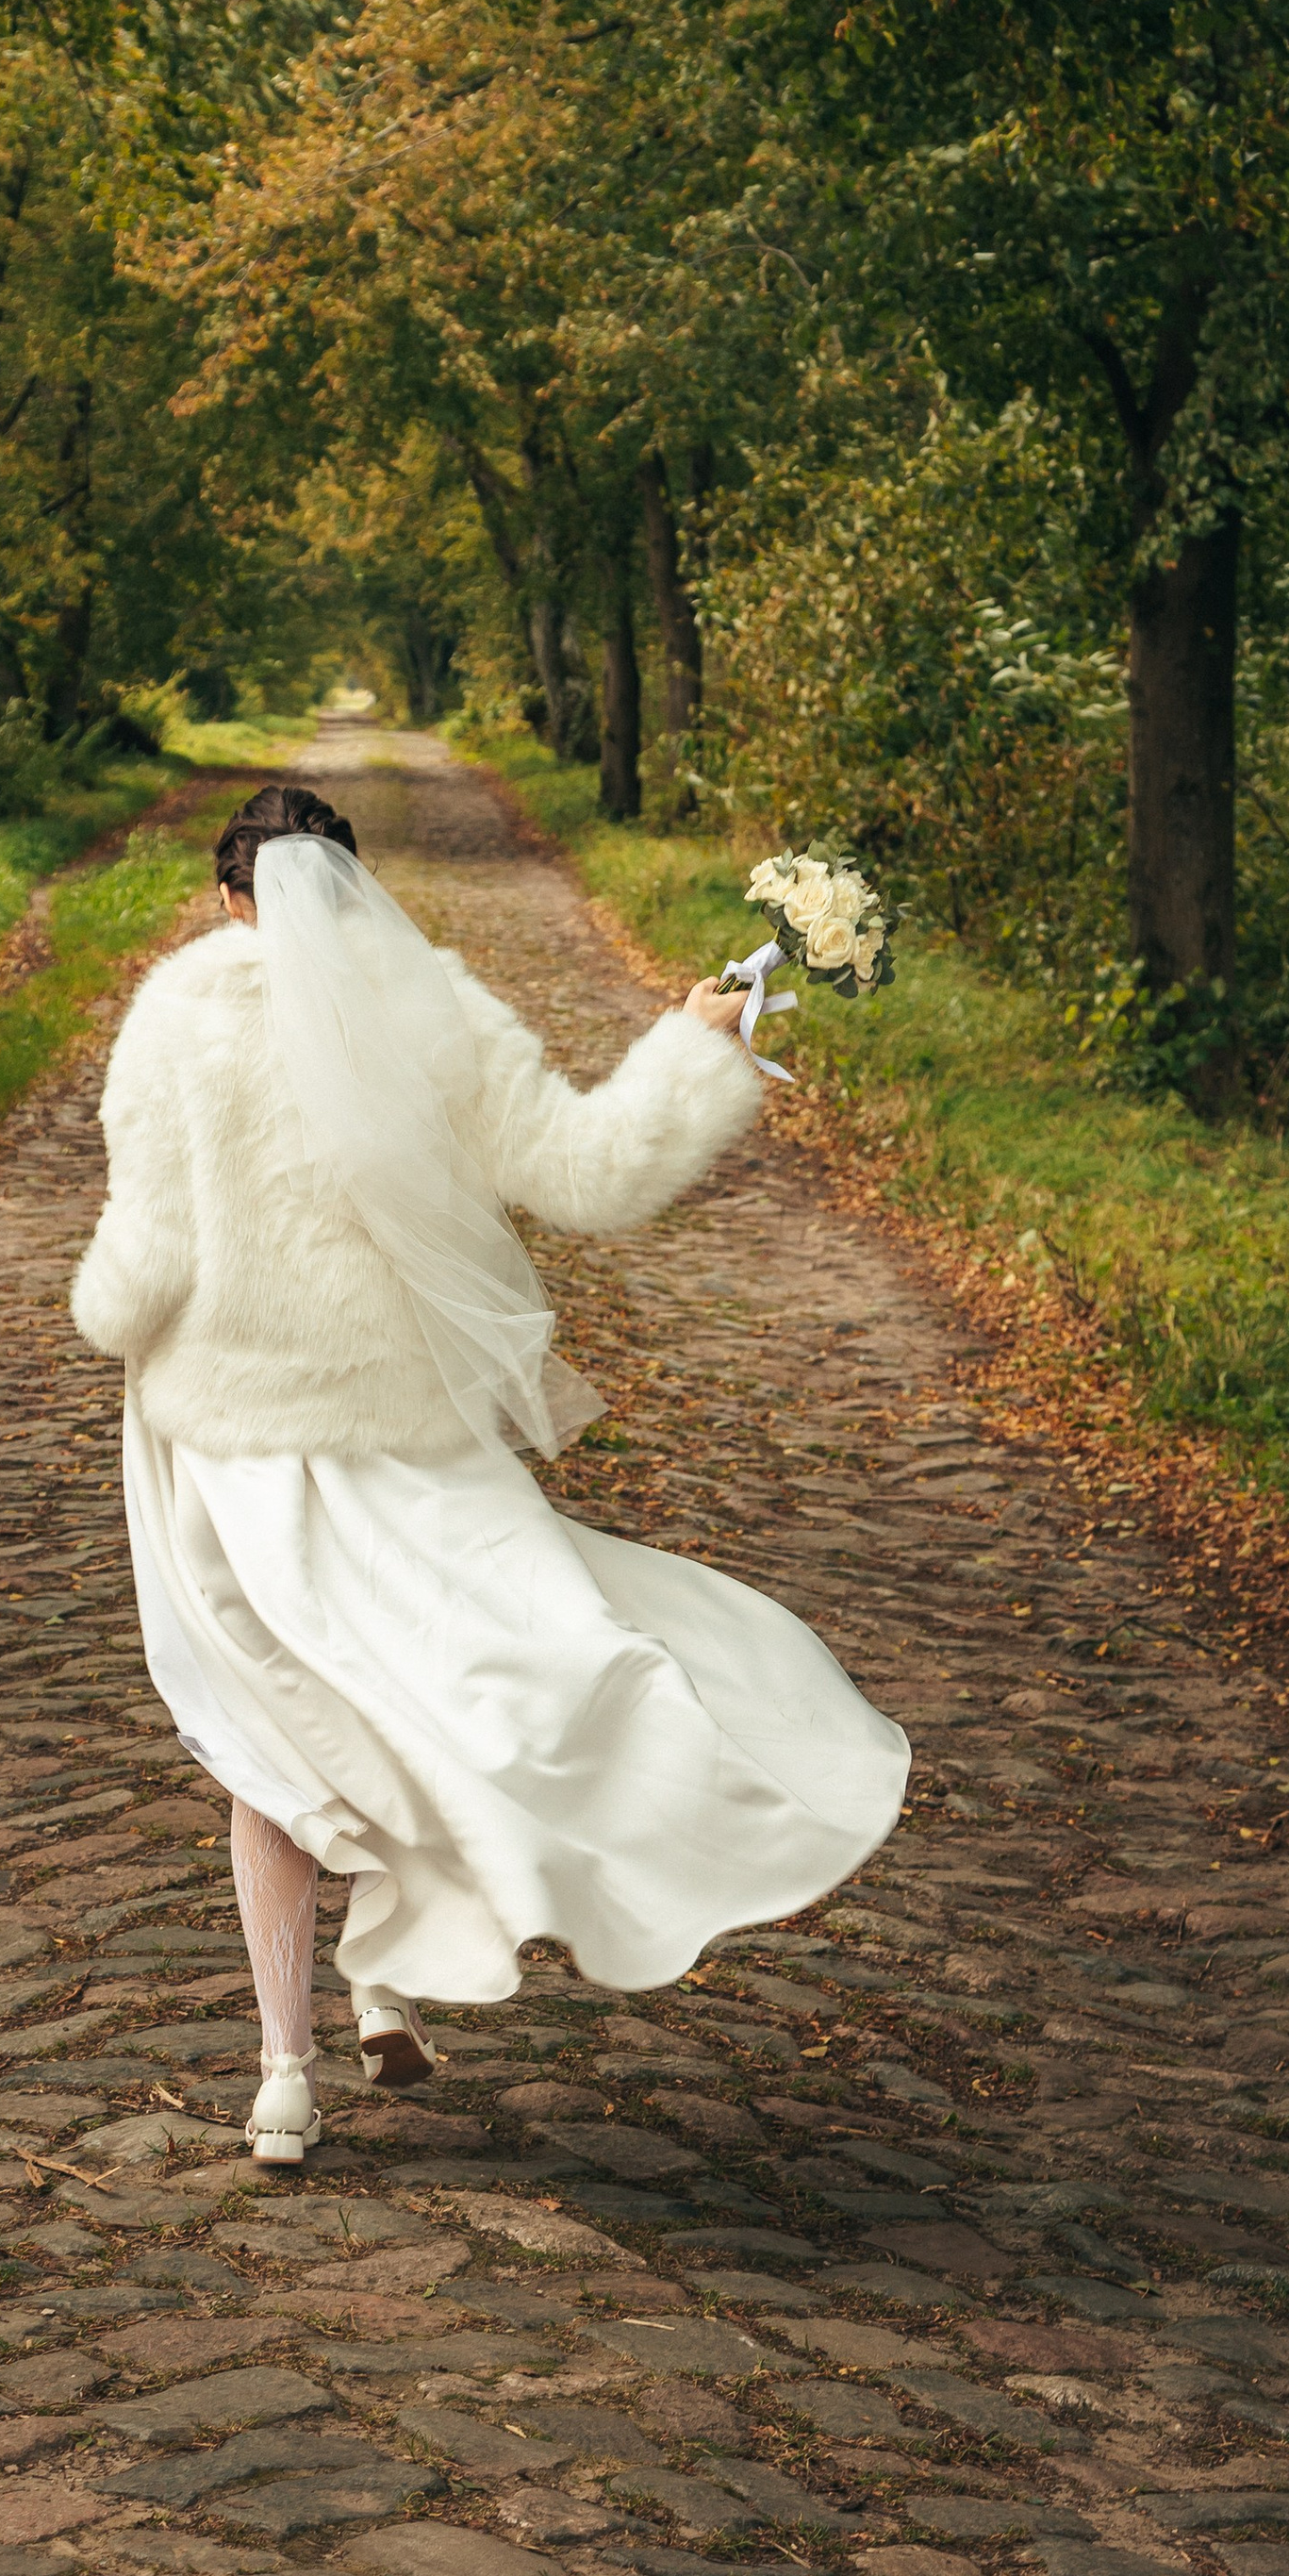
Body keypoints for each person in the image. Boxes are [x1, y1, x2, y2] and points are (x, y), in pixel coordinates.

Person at [70, 780, 909, 2166]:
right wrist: (692, 1047)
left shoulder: (175, 1018)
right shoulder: (431, 1007)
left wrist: (105, 1318)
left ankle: (285, 2079)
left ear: (229, 899)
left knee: (272, 1737)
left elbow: (143, 1264)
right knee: (442, 1686)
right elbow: (589, 1171)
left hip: (235, 1440)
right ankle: (386, 1977)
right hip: (406, 1427)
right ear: (355, 886)